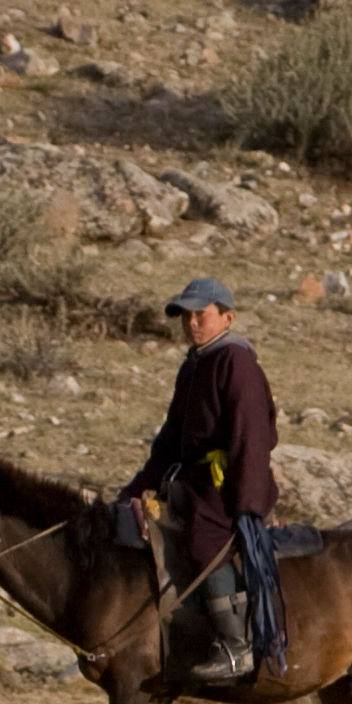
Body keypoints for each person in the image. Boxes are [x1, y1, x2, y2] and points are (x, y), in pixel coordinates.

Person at [119, 274, 278, 680]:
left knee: (203, 537)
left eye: (200, 315)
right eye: (185, 316)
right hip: (191, 479)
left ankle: (235, 647)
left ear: (227, 317)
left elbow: (250, 437)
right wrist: (137, 489)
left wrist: (246, 505)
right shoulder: (195, 364)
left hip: (227, 485)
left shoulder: (235, 362)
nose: (191, 323)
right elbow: (170, 439)